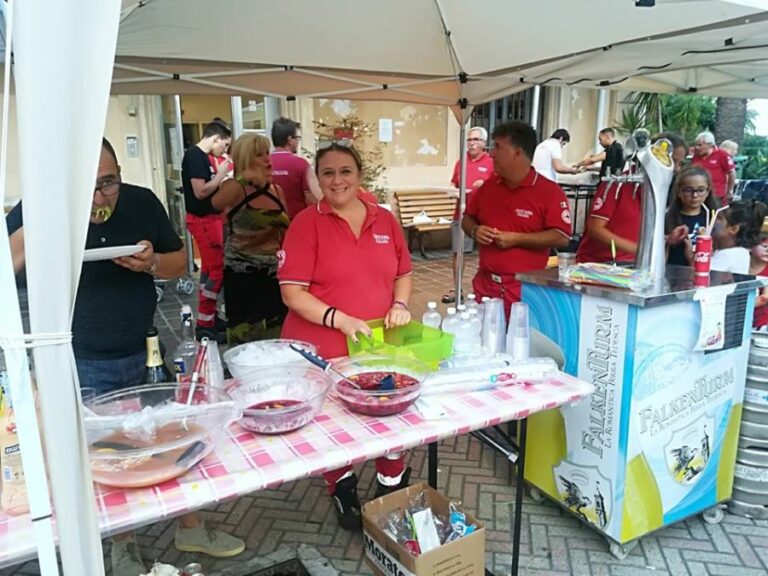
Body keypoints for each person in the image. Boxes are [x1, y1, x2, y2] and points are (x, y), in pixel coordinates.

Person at [7, 138, 245, 576]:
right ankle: (124, 543)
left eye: (108, 182)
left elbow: (178, 262)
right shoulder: (42, 207)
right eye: (87, 187)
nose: (100, 198)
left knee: (173, 438)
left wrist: (151, 263)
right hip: (80, 356)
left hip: (145, 347)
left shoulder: (141, 202)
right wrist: (51, 208)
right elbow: (7, 265)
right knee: (107, 456)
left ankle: (191, 526)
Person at [278, 143, 413, 531]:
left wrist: (400, 303)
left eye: (345, 171)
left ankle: (391, 482)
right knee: (334, 429)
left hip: (376, 344)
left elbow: (404, 272)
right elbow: (292, 293)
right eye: (328, 173)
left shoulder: (384, 220)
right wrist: (341, 320)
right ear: (318, 179)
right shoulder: (306, 223)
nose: (337, 180)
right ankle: (342, 488)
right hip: (322, 350)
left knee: (390, 417)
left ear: (359, 175)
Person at [462, 121, 572, 317]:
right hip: (485, 288)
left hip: (525, 292)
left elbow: (562, 236)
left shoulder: (549, 192)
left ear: (518, 153)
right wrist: (475, 230)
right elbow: (467, 218)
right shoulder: (488, 187)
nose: (491, 154)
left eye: (498, 147)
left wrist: (517, 239)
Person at [212, 133, 290, 344]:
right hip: (242, 275)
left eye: (267, 153)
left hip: (274, 274)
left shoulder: (277, 191)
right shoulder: (235, 187)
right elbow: (214, 204)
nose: (267, 159)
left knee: (277, 338)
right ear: (245, 159)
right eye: (259, 155)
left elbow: (287, 233)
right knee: (246, 341)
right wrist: (244, 177)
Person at [578, 133, 689, 265]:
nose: (676, 168)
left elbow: (640, 232)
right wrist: (637, 249)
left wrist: (667, 239)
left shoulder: (660, 190)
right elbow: (595, 229)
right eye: (672, 161)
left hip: (632, 264)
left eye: (680, 163)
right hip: (599, 264)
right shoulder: (618, 183)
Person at [182, 119, 232, 342]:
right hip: (203, 221)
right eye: (225, 144)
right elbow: (200, 191)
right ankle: (204, 324)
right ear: (216, 138)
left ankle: (208, 317)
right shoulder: (196, 156)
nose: (225, 150)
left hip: (209, 219)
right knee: (216, 271)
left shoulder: (202, 157)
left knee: (210, 270)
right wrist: (221, 174)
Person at [442, 126, 495, 304]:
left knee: (488, 254)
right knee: (458, 252)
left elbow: (500, 186)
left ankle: (487, 289)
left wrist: (486, 184)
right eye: (469, 140)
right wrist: (451, 189)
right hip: (462, 214)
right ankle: (457, 288)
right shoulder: (461, 162)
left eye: (476, 140)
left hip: (485, 216)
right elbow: (454, 182)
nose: (471, 143)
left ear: (484, 143)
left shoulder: (492, 162)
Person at [665, 166, 719, 267]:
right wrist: (668, 240)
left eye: (701, 190)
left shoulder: (713, 219)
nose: (695, 195)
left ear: (708, 192)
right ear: (679, 192)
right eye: (688, 190)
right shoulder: (667, 218)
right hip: (673, 271)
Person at [270, 117, 323, 219]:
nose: (298, 142)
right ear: (290, 140)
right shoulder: (301, 164)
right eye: (297, 138)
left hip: (271, 222)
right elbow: (313, 198)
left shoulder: (263, 164)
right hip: (297, 221)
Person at [710, 199, 766, 274]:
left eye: (719, 218)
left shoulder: (729, 256)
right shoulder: (739, 252)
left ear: (733, 229)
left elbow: (701, 276)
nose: (714, 220)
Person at [692, 131, 736, 203]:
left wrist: (730, 190)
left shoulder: (722, 155)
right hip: (699, 195)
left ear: (710, 144)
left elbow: (731, 172)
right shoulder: (696, 157)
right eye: (696, 145)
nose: (697, 147)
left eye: (700, 145)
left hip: (717, 195)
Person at [749, 218, 768, 329]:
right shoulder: (742, 265)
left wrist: (742, 306)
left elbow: (765, 297)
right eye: (764, 246)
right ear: (751, 246)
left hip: (761, 323)